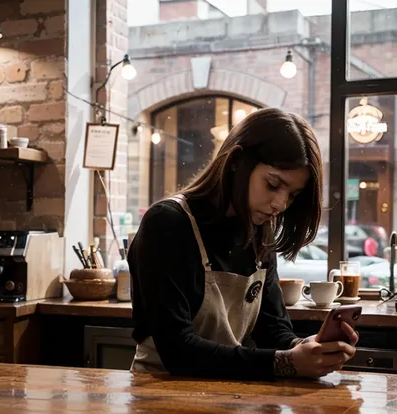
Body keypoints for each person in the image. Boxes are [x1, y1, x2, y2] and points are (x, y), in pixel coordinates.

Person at [128, 107, 359, 380]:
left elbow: (271, 329)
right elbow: (179, 350)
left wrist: (304, 348)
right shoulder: (167, 223)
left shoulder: (260, 231)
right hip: (160, 395)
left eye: (293, 195)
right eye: (273, 184)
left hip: (230, 394)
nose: (280, 204)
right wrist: (285, 363)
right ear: (237, 161)